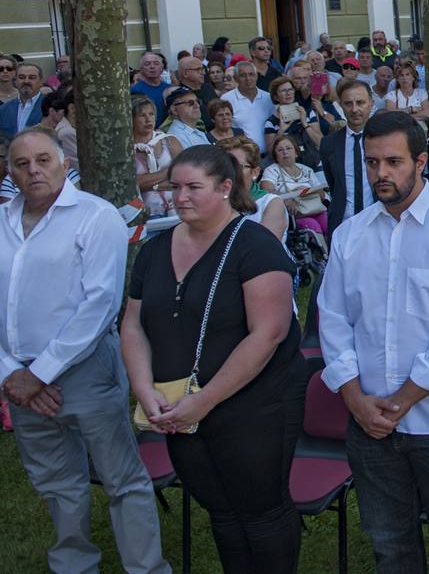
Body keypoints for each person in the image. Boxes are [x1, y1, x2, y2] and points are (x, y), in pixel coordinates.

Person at [318, 111, 429, 573]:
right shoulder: (349, 236)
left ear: (421, 160)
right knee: (389, 544)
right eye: (372, 162)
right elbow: (332, 320)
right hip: (368, 420)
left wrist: (400, 401)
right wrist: (356, 400)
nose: (381, 174)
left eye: (393, 162)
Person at [122, 144, 305, 573]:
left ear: (226, 187)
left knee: (261, 511)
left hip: (253, 405)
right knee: (221, 511)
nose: (179, 197)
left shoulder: (255, 247)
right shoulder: (154, 250)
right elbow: (132, 324)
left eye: (193, 187)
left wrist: (203, 401)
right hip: (176, 405)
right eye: (174, 187)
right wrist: (145, 390)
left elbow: (268, 333)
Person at [1, 129, 171, 574]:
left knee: (122, 479)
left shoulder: (95, 217)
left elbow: (99, 305)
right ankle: (74, 565)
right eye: (22, 163)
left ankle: (146, 568)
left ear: (63, 162)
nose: (33, 170)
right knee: (56, 482)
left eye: (43, 159)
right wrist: (12, 374)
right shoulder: (1, 220)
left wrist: (41, 374)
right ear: (10, 170)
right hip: (17, 376)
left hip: (84, 369)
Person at [317, 78, 377, 239]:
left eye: (360, 102)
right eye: (348, 103)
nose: (355, 109)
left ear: (371, 103)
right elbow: (334, 183)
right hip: (343, 225)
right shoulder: (329, 144)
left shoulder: (383, 140)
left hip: (379, 221)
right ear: (341, 106)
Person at [218, 136, 289, 244]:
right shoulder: (214, 201)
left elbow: (264, 247)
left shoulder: (270, 203)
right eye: (224, 165)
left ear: (255, 172)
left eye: (237, 166)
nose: (229, 171)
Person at [261, 133, 328, 236]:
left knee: (329, 223)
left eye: (288, 148)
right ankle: (323, 252)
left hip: (315, 209)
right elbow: (267, 191)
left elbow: (322, 195)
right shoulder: (271, 171)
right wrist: (285, 200)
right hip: (294, 215)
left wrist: (304, 191)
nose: (285, 152)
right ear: (276, 156)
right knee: (313, 226)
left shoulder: (307, 170)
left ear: (296, 152)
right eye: (280, 150)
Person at [132, 95, 178, 217]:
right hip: (143, 215)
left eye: (151, 114)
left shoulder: (169, 141)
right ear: (131, 119)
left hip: (176, 209)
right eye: (142, 115)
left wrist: (148, 182)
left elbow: (183, 175)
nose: (148, 119)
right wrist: (167, 172)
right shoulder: (126, 149)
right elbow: (132, 184)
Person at [221, 61, 275, 148]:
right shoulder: (227, 99)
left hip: (269, 155)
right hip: (243, 156)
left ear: (256, 76)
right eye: (242, 75)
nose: (248, 78)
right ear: (235, 78)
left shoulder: (268, 98)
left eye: (251, 74)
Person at [0, 61, 44, 138]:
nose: (26, 81)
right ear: (15, 81)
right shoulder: (3, 109)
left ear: (41, 82)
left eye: (32, 78)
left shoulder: (50, 105)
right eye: (21, 77)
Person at [130, 52, 174, 123]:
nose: (152, 66)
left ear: (162, 68)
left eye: (156, 63)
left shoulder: (169, 89)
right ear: (141, 69)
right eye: (147, 64)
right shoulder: (136, 91)